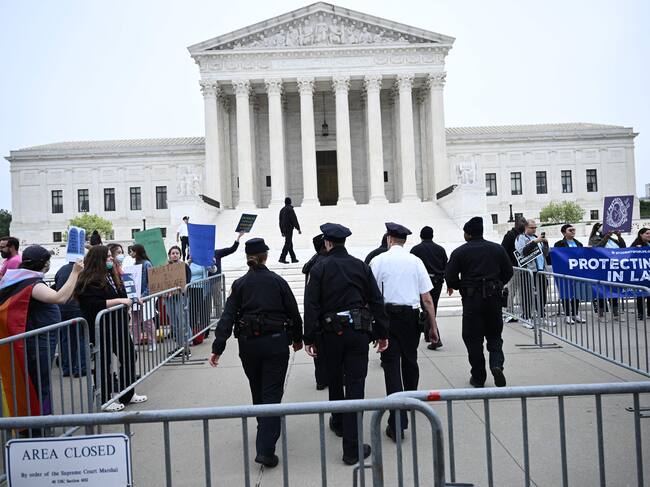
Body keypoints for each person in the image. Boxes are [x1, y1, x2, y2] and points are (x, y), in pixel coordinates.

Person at [210, 238, 303, 468]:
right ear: (266, 256)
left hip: (249, 345)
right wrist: (298, 338)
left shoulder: (240, 284)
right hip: (274, 343)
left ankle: (265, 429)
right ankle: (265, 448)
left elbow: (228, 316)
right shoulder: (278, 281)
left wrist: (218, 347)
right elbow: (293, 312)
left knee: (257, 388)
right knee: (271, 393)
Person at [304, 223, 389, 466]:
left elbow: (311, 305)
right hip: (358, 331)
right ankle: (351, 445)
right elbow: (376, 300)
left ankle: (339, 421)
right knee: (355, 386)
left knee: (334, 380)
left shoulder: (320, 267)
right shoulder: (360, 266)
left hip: (330, 333)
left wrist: (308, 337)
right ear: (343, 242)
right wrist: (382, 333)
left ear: (328, 243)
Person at [0, 246, 82, 426]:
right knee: (39, 383)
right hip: (37, 342)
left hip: (36, 339)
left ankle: (39, 422)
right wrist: (75, 272)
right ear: (43, 263)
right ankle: (40, 425)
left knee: (37, 382)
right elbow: (60, 297)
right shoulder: (31, 284)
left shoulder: (18, 278)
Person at [370, 223, 438, 441]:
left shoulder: (378, 261)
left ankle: (397, 421)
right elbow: (427, 298)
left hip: (387, 318)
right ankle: (409, 403)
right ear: (404, 240)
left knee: (391, 366)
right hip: (411, 318)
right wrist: (433, 326)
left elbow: (370, 294)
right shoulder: (415, 261)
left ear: (389, 238)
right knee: (410, 360)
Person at [75, 245, 147, 411]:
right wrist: (119, 302)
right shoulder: (87, 280)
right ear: (98, 259)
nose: (111, 259)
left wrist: (134, 299)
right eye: (107, 257)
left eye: (110, 256)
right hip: (101, 328)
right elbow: (93, 305)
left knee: (129, 356)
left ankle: (128, 393)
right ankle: (105, 400)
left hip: (118, 324)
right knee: (104, 363)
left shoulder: (111, 275)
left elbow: (122, 294)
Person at [445, 217, 513, 388]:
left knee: (472, 338)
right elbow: (508, 271)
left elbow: (450, 277)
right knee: (494, 336)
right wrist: (497, 284)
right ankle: (496, 364)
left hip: (472, 300)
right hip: (494, 299)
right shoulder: (496, 249)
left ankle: (478, 376)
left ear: (467, 234)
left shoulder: (460, 252)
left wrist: (462, 286)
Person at [410, 226, 447, 350]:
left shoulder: (416, 249)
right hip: (437, 282)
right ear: (432, 235)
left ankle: (436, 337)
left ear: (421, 236)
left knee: (427, 308)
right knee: (432, 307)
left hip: (422, 283)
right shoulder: (440, 249)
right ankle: (428, 333)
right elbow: (445, 266)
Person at [301, 234, 328, 390]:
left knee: (319, 352)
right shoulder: (323, 264)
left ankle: (321, 379)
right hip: (324, 312)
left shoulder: (313, 261)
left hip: (316, 315)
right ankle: (328, 378)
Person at [54, 260, 87, 377]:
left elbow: (56, 283)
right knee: (82, 339)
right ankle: (81, 368)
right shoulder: (82, 270)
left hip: (62, 308)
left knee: (66, 339)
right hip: (77, 307)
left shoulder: (61, 269)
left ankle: (67, 368)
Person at [588, 223, 626, 318]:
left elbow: (623, 247)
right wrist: (606, 237)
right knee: (601, 292)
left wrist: (619, 237)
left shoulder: (612, 239)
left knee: (614, 291)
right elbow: (598, 248)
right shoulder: (594, 238)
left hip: (613, 269)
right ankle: (601, 314)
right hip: (601, 269)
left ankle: (616, 313)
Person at [515, 219, 549, 324]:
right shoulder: (520, 238)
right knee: (527, 295)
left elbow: (545, 254)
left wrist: (546, 244)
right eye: (532, 227)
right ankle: (527, 317)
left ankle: (542, 316)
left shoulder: (536, 238)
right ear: (525, 227)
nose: (534, 229)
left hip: (540, 270)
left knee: (542, 294)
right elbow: (523, 252)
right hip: (529, 271)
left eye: (535, 227)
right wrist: (535, 242)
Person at [553, 224, 585, 324]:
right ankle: (567, 315)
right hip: (564, 272)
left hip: (577, 272)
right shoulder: (559, 244)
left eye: (573, 230)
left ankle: (575, 314)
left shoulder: (579, 243)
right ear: (563, 232)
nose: (572, 232)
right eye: (570, 230)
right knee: (566, 294)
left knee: (576, 294)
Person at [130, 244, 156, 351]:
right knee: (135, 321)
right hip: (135, 297)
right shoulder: (134, 264)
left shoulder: (147, 264)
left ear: (137, 252)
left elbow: (151, 282)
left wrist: (144, 295)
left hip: (145, 298)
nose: (131, 253)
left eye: (132, 251)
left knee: (148, 321)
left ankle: (152, 342)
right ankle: (136, 342)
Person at [167, 246, 192, 356]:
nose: (175, 255)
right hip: (168, 298)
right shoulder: (166, 267)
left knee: (182, 321)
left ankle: (186, 347)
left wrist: (179, 289)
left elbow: (188, 280)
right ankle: (180, 346)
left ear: (180, 255)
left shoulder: (184, 266)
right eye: (173, 253)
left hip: (180, 297)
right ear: (169, 255)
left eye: (177, 253)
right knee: (174, 322)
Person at [630, 228, 650, 320]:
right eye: (647, 233)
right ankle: (641, 313)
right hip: (640, 273)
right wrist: (636, 251)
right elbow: (628, 256)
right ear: (641, 234)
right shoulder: (635, 245)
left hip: (648, 272)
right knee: (641, 293)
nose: (649, 235)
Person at [278, 197, 301, 264]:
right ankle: (282, 258)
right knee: (288, 243)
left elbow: (280, 221)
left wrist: (281, 231)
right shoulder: (290, 209)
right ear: (290, 202)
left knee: (289, 243)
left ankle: (293, 258)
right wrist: (298, 228)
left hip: (284, 229)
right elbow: (294, 219)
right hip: (289, 228)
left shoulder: (282, 210)